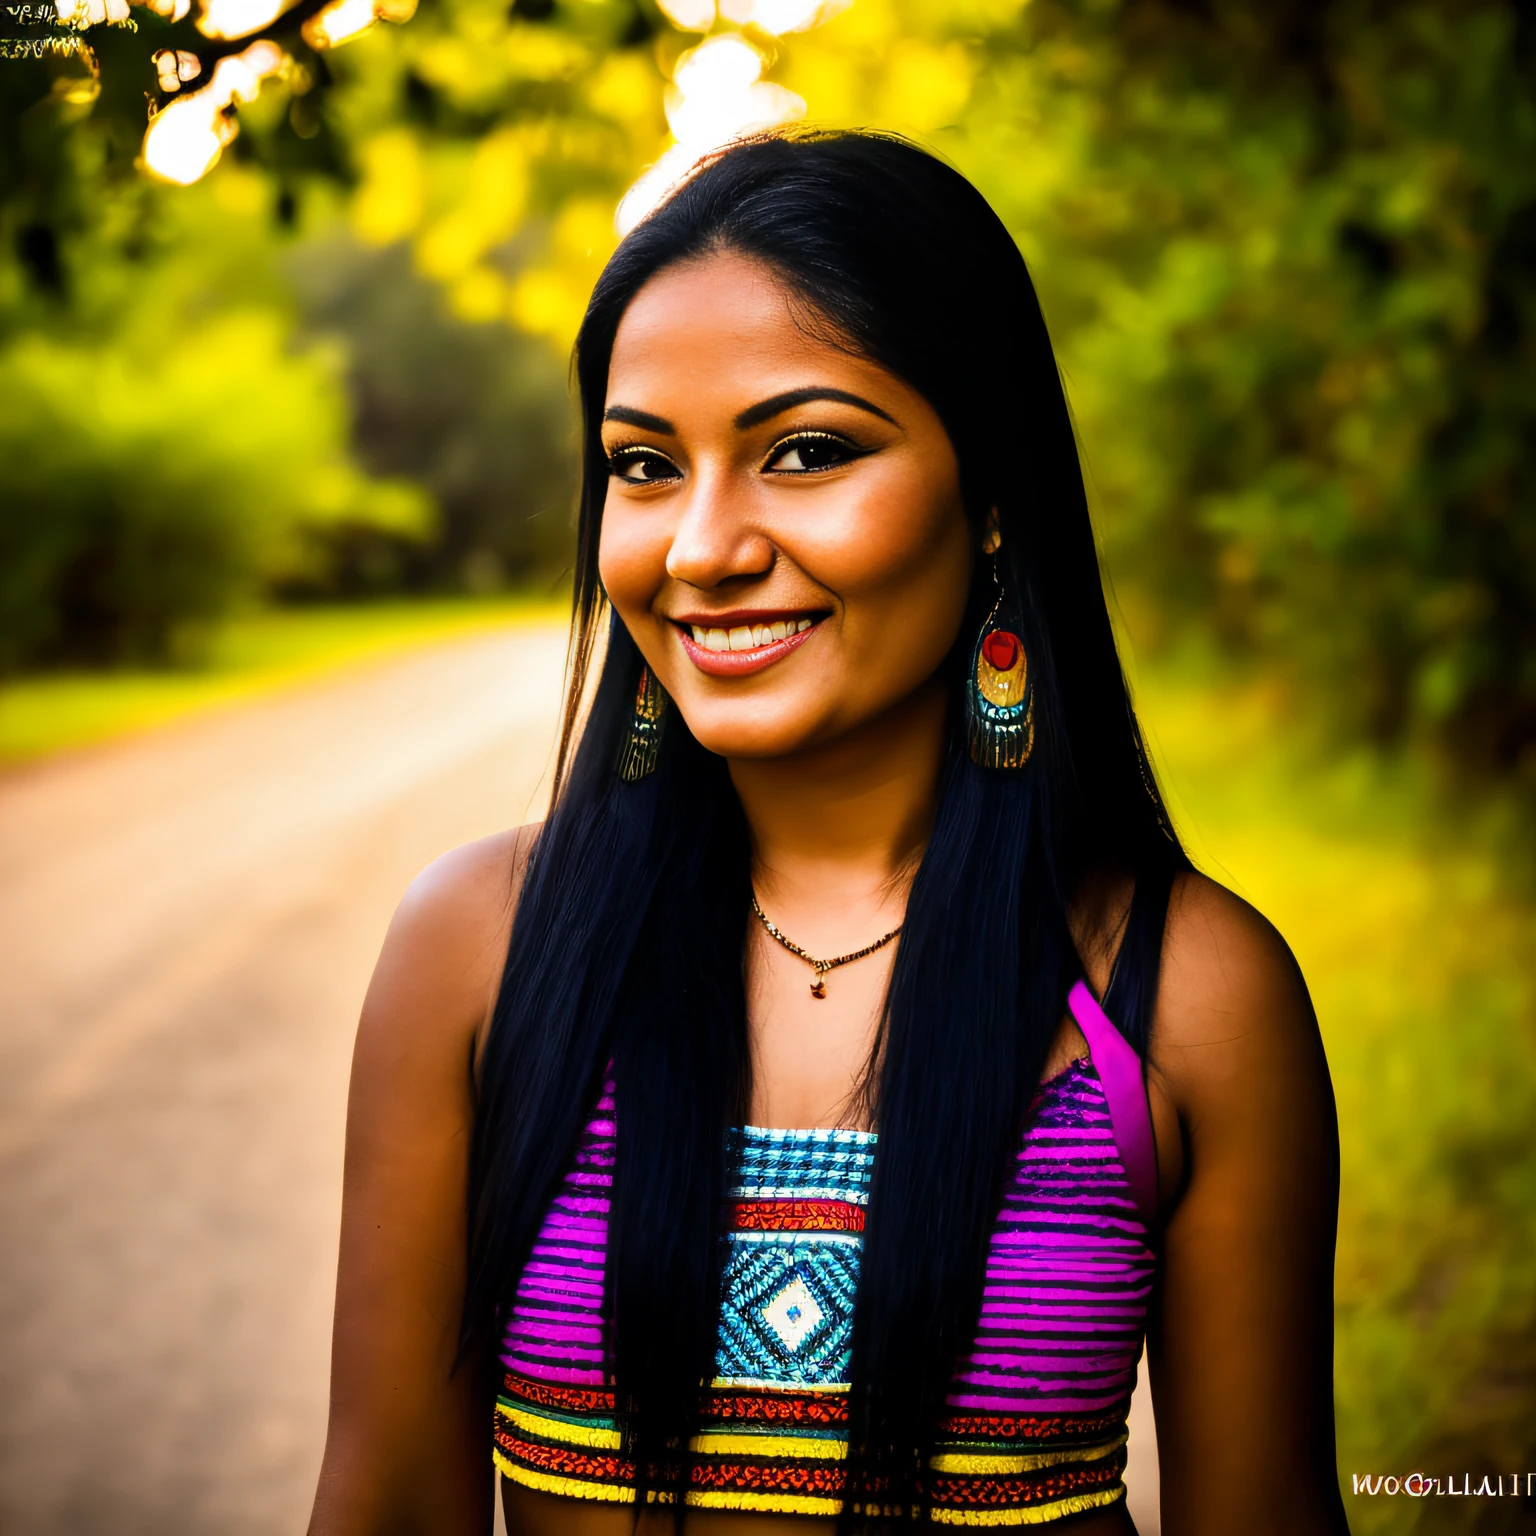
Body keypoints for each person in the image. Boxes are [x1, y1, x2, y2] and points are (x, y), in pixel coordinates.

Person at [307, 131, 1348, 1535]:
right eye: (643, 465)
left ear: (991, 499)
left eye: (804, 452)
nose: (700, 549)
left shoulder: (1182, 996)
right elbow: (380, 1501)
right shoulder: (480, 948)